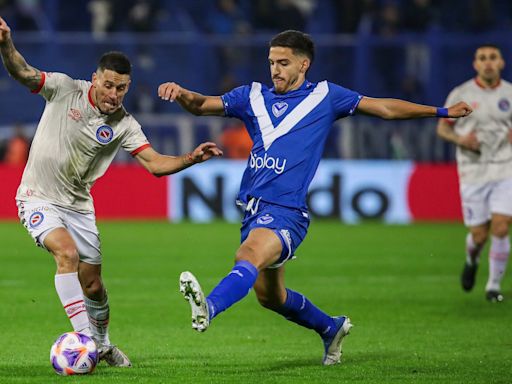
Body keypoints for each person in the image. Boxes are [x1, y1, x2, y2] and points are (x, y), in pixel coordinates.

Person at [158, 30, 471, 365]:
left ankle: (210, 306)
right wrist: (181, 94)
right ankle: (330, 327)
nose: (274, 69)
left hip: (288, 211)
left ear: (303, 64)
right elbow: (202, 105)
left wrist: (441, 111)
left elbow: (383, 108)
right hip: (254, 210)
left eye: (283, 62)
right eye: (271, 63)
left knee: (247, 254)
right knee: (270, 297)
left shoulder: (325, 97)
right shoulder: (250, 96)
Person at [0, 15, 222, 367]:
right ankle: (85, 345)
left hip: (79, 206)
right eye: (108, 85)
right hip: (37, 196)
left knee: (94, 288)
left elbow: (153, 164)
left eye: (121, 88)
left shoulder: (124, 124)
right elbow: (23, 72)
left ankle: (102, 343)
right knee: (67, 256)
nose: (114, 94)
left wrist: (190, 158)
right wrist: (5, 45)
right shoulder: (63, 88)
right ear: (95, 79)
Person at [437, 44, 512, 303]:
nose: (488, 62)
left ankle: (493, 286)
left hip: (505, 167)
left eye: (493, 57)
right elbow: (443, 129)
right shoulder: (462, 93)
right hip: (473, 171)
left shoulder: (510, 93)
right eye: (482, 58)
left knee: (501, 227)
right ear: (475, 64)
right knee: (479, 234)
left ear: (501, 63)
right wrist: (461, 139)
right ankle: (472, 258)